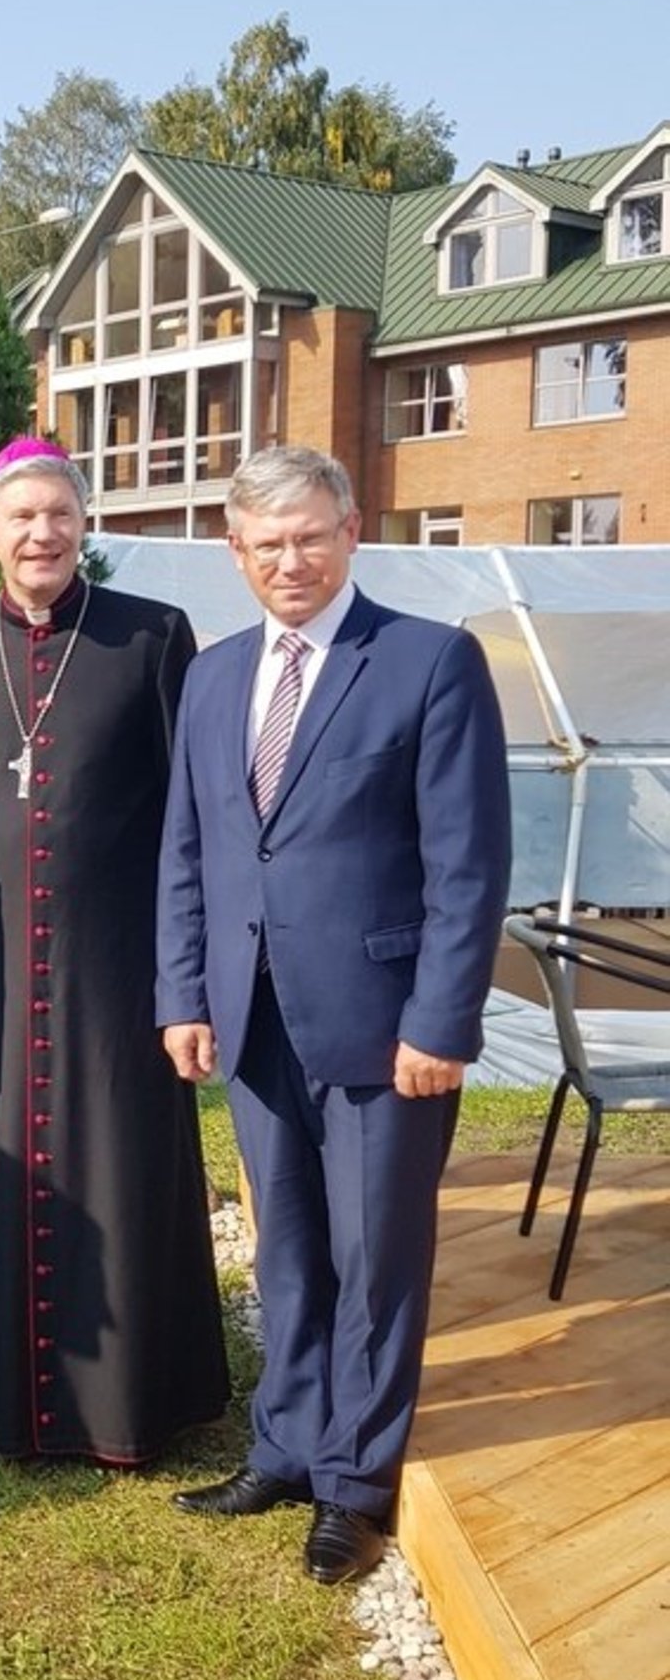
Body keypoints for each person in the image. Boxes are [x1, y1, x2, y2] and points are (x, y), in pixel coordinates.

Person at [158, 446, 510, 1584]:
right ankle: (286, 1445)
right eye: (267, 544)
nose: (291, 560)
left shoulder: (429, 662)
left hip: (384, 1026)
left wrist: (441, 1022)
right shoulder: (215, 677)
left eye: (310, 536)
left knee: (376, 1261)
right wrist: (184, 993)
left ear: (352, 532)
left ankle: (354, 1486)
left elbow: (468, 868)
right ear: (236, 552)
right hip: (252, 1017)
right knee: (291, 1253)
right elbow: (191, 850)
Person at [0, 436, 229, 1466]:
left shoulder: (151, 635)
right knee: (2, 1165)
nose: (42, 533)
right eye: (22, 516)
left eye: (59, 513)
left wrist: (186, 978)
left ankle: (133, 1402)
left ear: (84, 524)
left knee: (124, 1168)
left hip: (117, 970)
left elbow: (194, 818)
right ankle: (5, 1394)